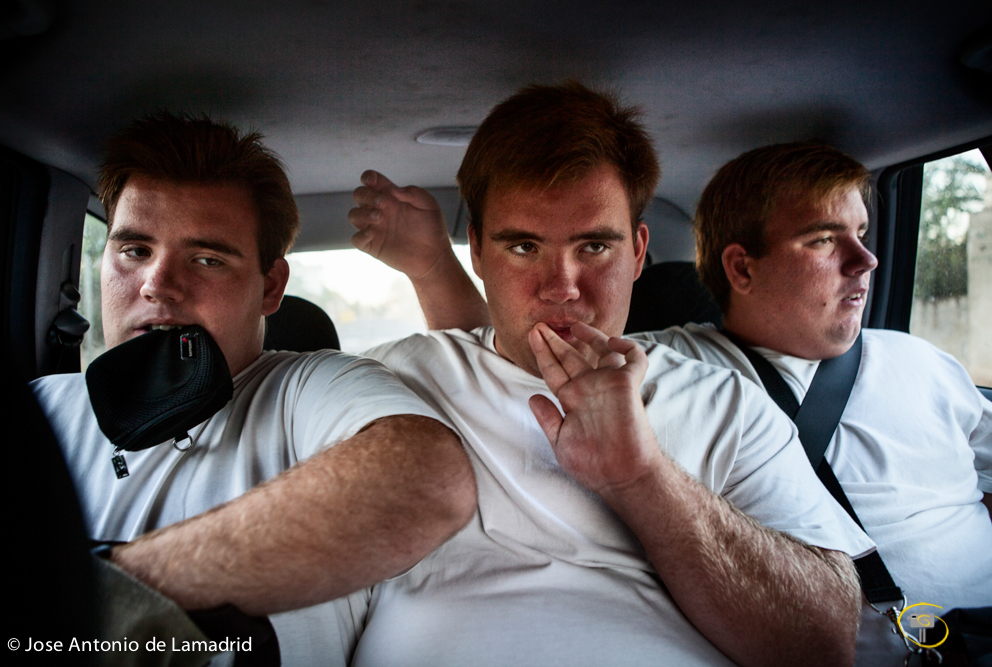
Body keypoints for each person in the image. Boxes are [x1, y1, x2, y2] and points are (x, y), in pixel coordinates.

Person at [354, 137, 992, 664]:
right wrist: (434, 268)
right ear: (740, 268)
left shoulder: (920, 364)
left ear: (634, 253)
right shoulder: (649, 362)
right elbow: (494, 351)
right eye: (824, 239)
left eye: (594, 246)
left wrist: (640, 475)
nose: (867, 260)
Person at [30, 113, 477, 666]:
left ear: (270, 287)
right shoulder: (42, 406)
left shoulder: (310, 386)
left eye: (207, 259)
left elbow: (427, 478)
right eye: (135, 250)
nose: (156, 284)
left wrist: (106, 599)